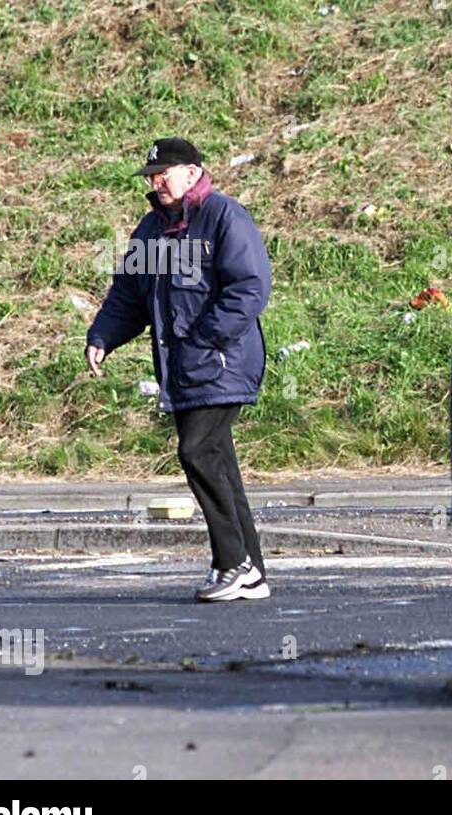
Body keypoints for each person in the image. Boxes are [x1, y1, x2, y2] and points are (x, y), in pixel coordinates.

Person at [85, 137, 271, 603]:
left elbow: (250, 287)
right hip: (183, 368)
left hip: (222, 362)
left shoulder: (224, 216)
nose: (156, 181)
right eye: (151, 174)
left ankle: (234, 564)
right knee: (219, 464)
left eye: (164, 172)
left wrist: (207, 338)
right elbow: (129, 294)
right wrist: (103, 336)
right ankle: (250, 571)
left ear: (192, 171)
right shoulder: (151, 229)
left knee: (197, 451)